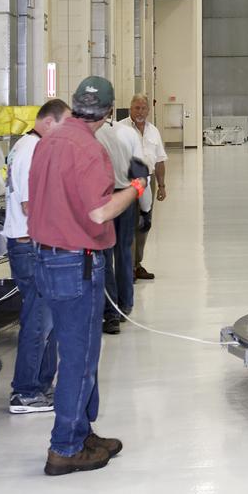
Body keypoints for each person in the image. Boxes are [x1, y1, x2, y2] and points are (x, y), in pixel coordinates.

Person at [28, 76, 148, 476]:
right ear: (109, 112)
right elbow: (99, 212)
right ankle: (64, 447)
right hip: (76, 263)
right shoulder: (89, 149)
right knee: (80, 358)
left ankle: (80, 431)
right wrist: (135, 187)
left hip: (44, 259)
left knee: (71, 351)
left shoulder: (48, 141)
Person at [3, 99, 71, 414]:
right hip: (30, 247)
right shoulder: (32, 150)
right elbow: (31, 206)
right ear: (48, 122)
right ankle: (25, 392)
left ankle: (41, 386)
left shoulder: (26, 146)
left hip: (30, 244)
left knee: (47, 320)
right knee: (39, 322)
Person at [96, 113, 146, 335]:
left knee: (105, 256)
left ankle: (111, 312)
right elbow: (142, 172)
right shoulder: (128, 133)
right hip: (127, 198)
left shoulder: (91, 134)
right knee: (124, 252)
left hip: (104, 199)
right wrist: (144, 205)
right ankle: (126, 304)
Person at [119, 94, 167, 281]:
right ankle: (128, 267)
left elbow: (160, 160)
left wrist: (162, 185)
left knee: (144, 223)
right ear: (130, 108)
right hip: (127, 181)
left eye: (143, 108)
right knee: (129, 223)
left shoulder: (153, 131)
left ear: (148, 110)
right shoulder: (120, 128)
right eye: (136, 108)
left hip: (149, 179)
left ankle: (137, 264)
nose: (139, 112)